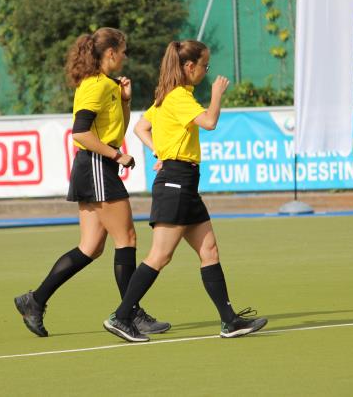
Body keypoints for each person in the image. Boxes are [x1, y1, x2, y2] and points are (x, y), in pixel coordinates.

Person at [103, 40, 268, 342]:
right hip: (176, 183)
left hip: (185, 183)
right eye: (205, 65)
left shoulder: (170, 96)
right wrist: (216, 95)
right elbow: (210, 122)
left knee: (209, 251)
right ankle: (121, 316)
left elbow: (141, 128)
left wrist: (160, 151)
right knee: (160, 256)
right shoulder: (178, 96)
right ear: (189, 66)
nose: (207, 71)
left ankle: (229, 321)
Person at [14, 27, 170, 338]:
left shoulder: (108, 85)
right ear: (110, 53)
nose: (125, 56)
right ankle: (129, 314)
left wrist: (125, 101)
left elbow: (117, 129)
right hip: (97, 165)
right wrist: (116, 155)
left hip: (96, 165)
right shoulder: (94, 86)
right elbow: (81, 133)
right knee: (126, 238)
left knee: (90, 248)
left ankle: (35, 300)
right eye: (123, 51)